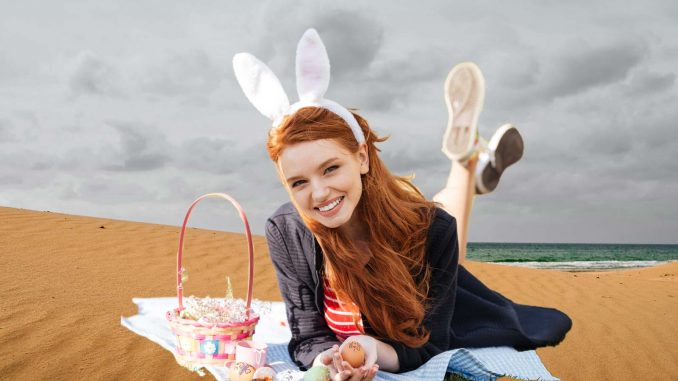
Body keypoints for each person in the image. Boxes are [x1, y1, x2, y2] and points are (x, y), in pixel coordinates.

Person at [233, 29, 571, 381]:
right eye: (298, 182)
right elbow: (307, 337)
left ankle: (466, 164)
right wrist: (328, 362)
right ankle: (471, 162)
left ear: (362, 156)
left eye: (331, 168)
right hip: (405, 226)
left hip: (430, 263)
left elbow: (428, 344)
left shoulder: (433, 231)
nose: (318, 194)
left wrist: (374, 349)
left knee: (436, 220)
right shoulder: (286, 229)